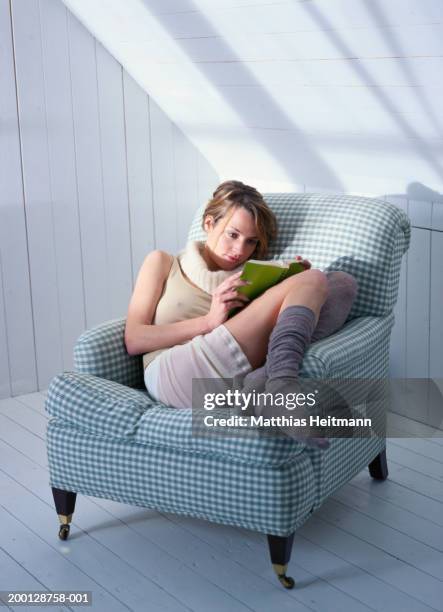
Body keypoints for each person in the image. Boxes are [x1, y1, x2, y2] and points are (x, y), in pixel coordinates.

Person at [124, 181, 357, 444]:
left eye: (251, 242)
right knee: (314, 280)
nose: (239, 250)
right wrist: (209, 321)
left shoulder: (252, 275)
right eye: (232, 235)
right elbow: (134, 339)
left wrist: (290, 283)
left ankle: (263, 381)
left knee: (340, 284)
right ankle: (280, 387)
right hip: (175, 374)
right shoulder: (164, 262)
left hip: (231, 372)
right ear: (209, 224)